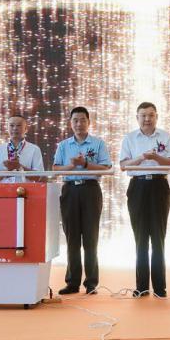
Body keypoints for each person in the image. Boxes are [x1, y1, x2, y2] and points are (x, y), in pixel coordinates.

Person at [119, 102, 170, 298]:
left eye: (151, 115)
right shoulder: (129, 138)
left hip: (159, 186)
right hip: (138, 187)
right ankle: (141, 286)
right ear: (137, 118)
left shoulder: (165, 136)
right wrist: (142, 157)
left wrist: (157, 158)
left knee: (158, 238)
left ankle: (160, 288)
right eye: (143, 115)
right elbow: (123, 165)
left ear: (156, 117)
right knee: (140, 238)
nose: (147, 119)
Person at [52, 107, 111, 295]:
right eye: (75, 120)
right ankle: (72, 282)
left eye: (83, 120)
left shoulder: (98, 143)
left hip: (90, 189)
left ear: (89, 122)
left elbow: (106, 168)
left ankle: (91, 283)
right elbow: (55, 169)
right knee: (72, 237)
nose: (79, 124)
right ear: (70, 123)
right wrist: (72, 165)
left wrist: (85, 164)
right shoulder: (63, 145)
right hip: (69, 190)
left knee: (90, 237)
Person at [0, 115, 45, 184]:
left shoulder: (34, 149)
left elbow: (40, 177)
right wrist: (7, 172)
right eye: (11, 125)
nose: (15, 128)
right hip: (3, 189)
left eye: (19, 125)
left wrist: (19, 167)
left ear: (26, 129)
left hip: (26, 189)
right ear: (7, 128)